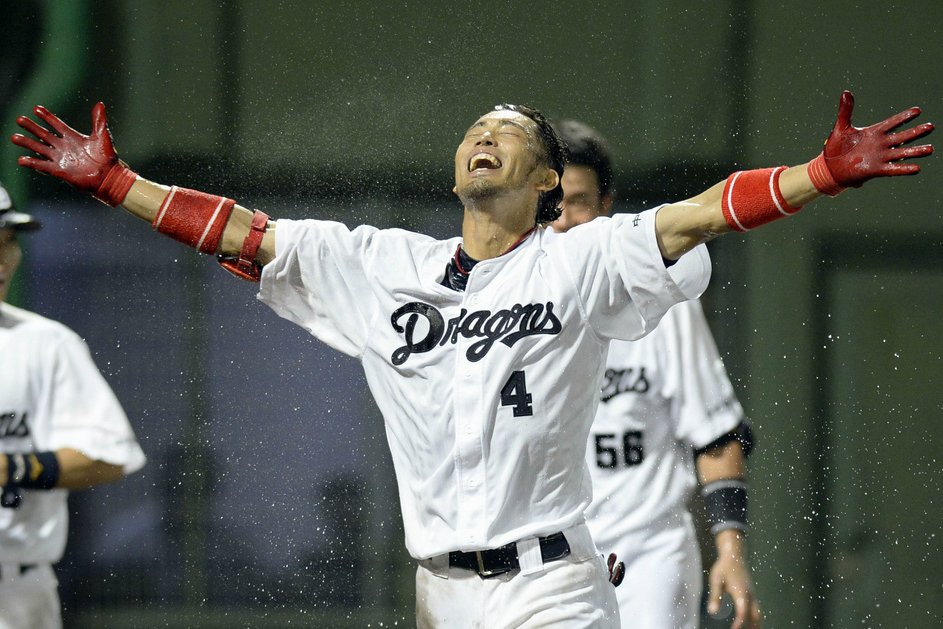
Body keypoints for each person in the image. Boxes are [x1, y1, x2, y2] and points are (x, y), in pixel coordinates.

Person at [10, 91, 932, 628]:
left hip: (554, 584)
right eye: (474, 129)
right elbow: (246, 235)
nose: (484, 135)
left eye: (510, 132)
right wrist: (117, 183)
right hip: (441, 590)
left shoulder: (579, 258)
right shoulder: (381, 264)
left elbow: (696, 213)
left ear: (543, 183)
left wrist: (817, 175)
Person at [550, 119, 761, 629]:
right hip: (550, 561)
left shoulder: (661, 298)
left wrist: (730, 549)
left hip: (648, 550)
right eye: (551, 204)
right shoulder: (510, 311)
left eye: (577, 201)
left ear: (606, 205)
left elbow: (715, 434)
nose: (561, 220)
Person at [0, 182, 146, 629]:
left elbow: (110, 454)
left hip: (14, 592)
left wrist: (14, 467)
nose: (3, 259)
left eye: (8, 242)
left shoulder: (45, 343)